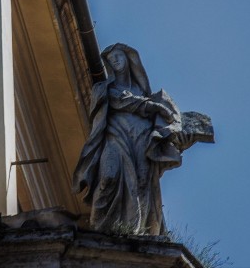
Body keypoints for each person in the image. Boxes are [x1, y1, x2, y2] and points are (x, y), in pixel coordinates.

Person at [73, 43, 184, 235]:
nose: (115, 61)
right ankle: (99, 228)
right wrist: (153, 107)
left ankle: (134, 231)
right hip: (116, 139)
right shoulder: (105, 89)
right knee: (108, 176)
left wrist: (170, 123)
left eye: (118, 56)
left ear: (129, 59)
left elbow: (170, 123)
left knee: (142, 183)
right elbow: (120, 100)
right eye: (111, 59)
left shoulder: (145, 93)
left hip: (140, 142)